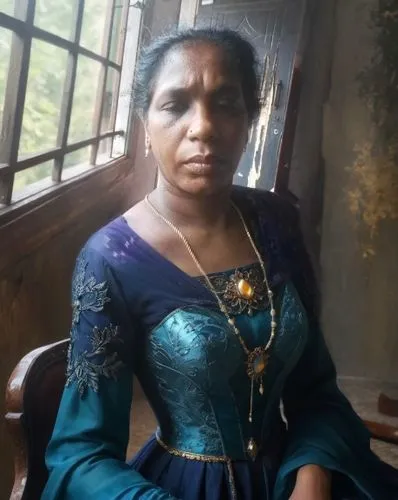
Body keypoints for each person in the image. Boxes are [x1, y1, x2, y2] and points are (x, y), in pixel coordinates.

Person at [42, 28, 397, 500]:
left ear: (250, 118)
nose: (203, 127)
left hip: (294, 478)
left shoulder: (276, 223)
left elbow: (317, 391)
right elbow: (81, 454)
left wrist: (313, 473)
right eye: (175, 105)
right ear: (145, 124)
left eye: (226, 103)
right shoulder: (111, 260)